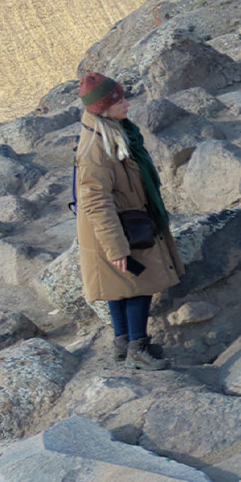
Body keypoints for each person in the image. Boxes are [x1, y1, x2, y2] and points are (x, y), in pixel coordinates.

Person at [73, 73, 183, 370]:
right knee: (140, 281)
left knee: (118, 285)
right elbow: (96, 200)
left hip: (126, 221)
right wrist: (116, 247)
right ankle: (138, 346)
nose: (127, 104)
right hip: (120, 228)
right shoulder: (96, 148)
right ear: (103, 109)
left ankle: (122, 342)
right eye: (120, 100)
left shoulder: (113, 131)